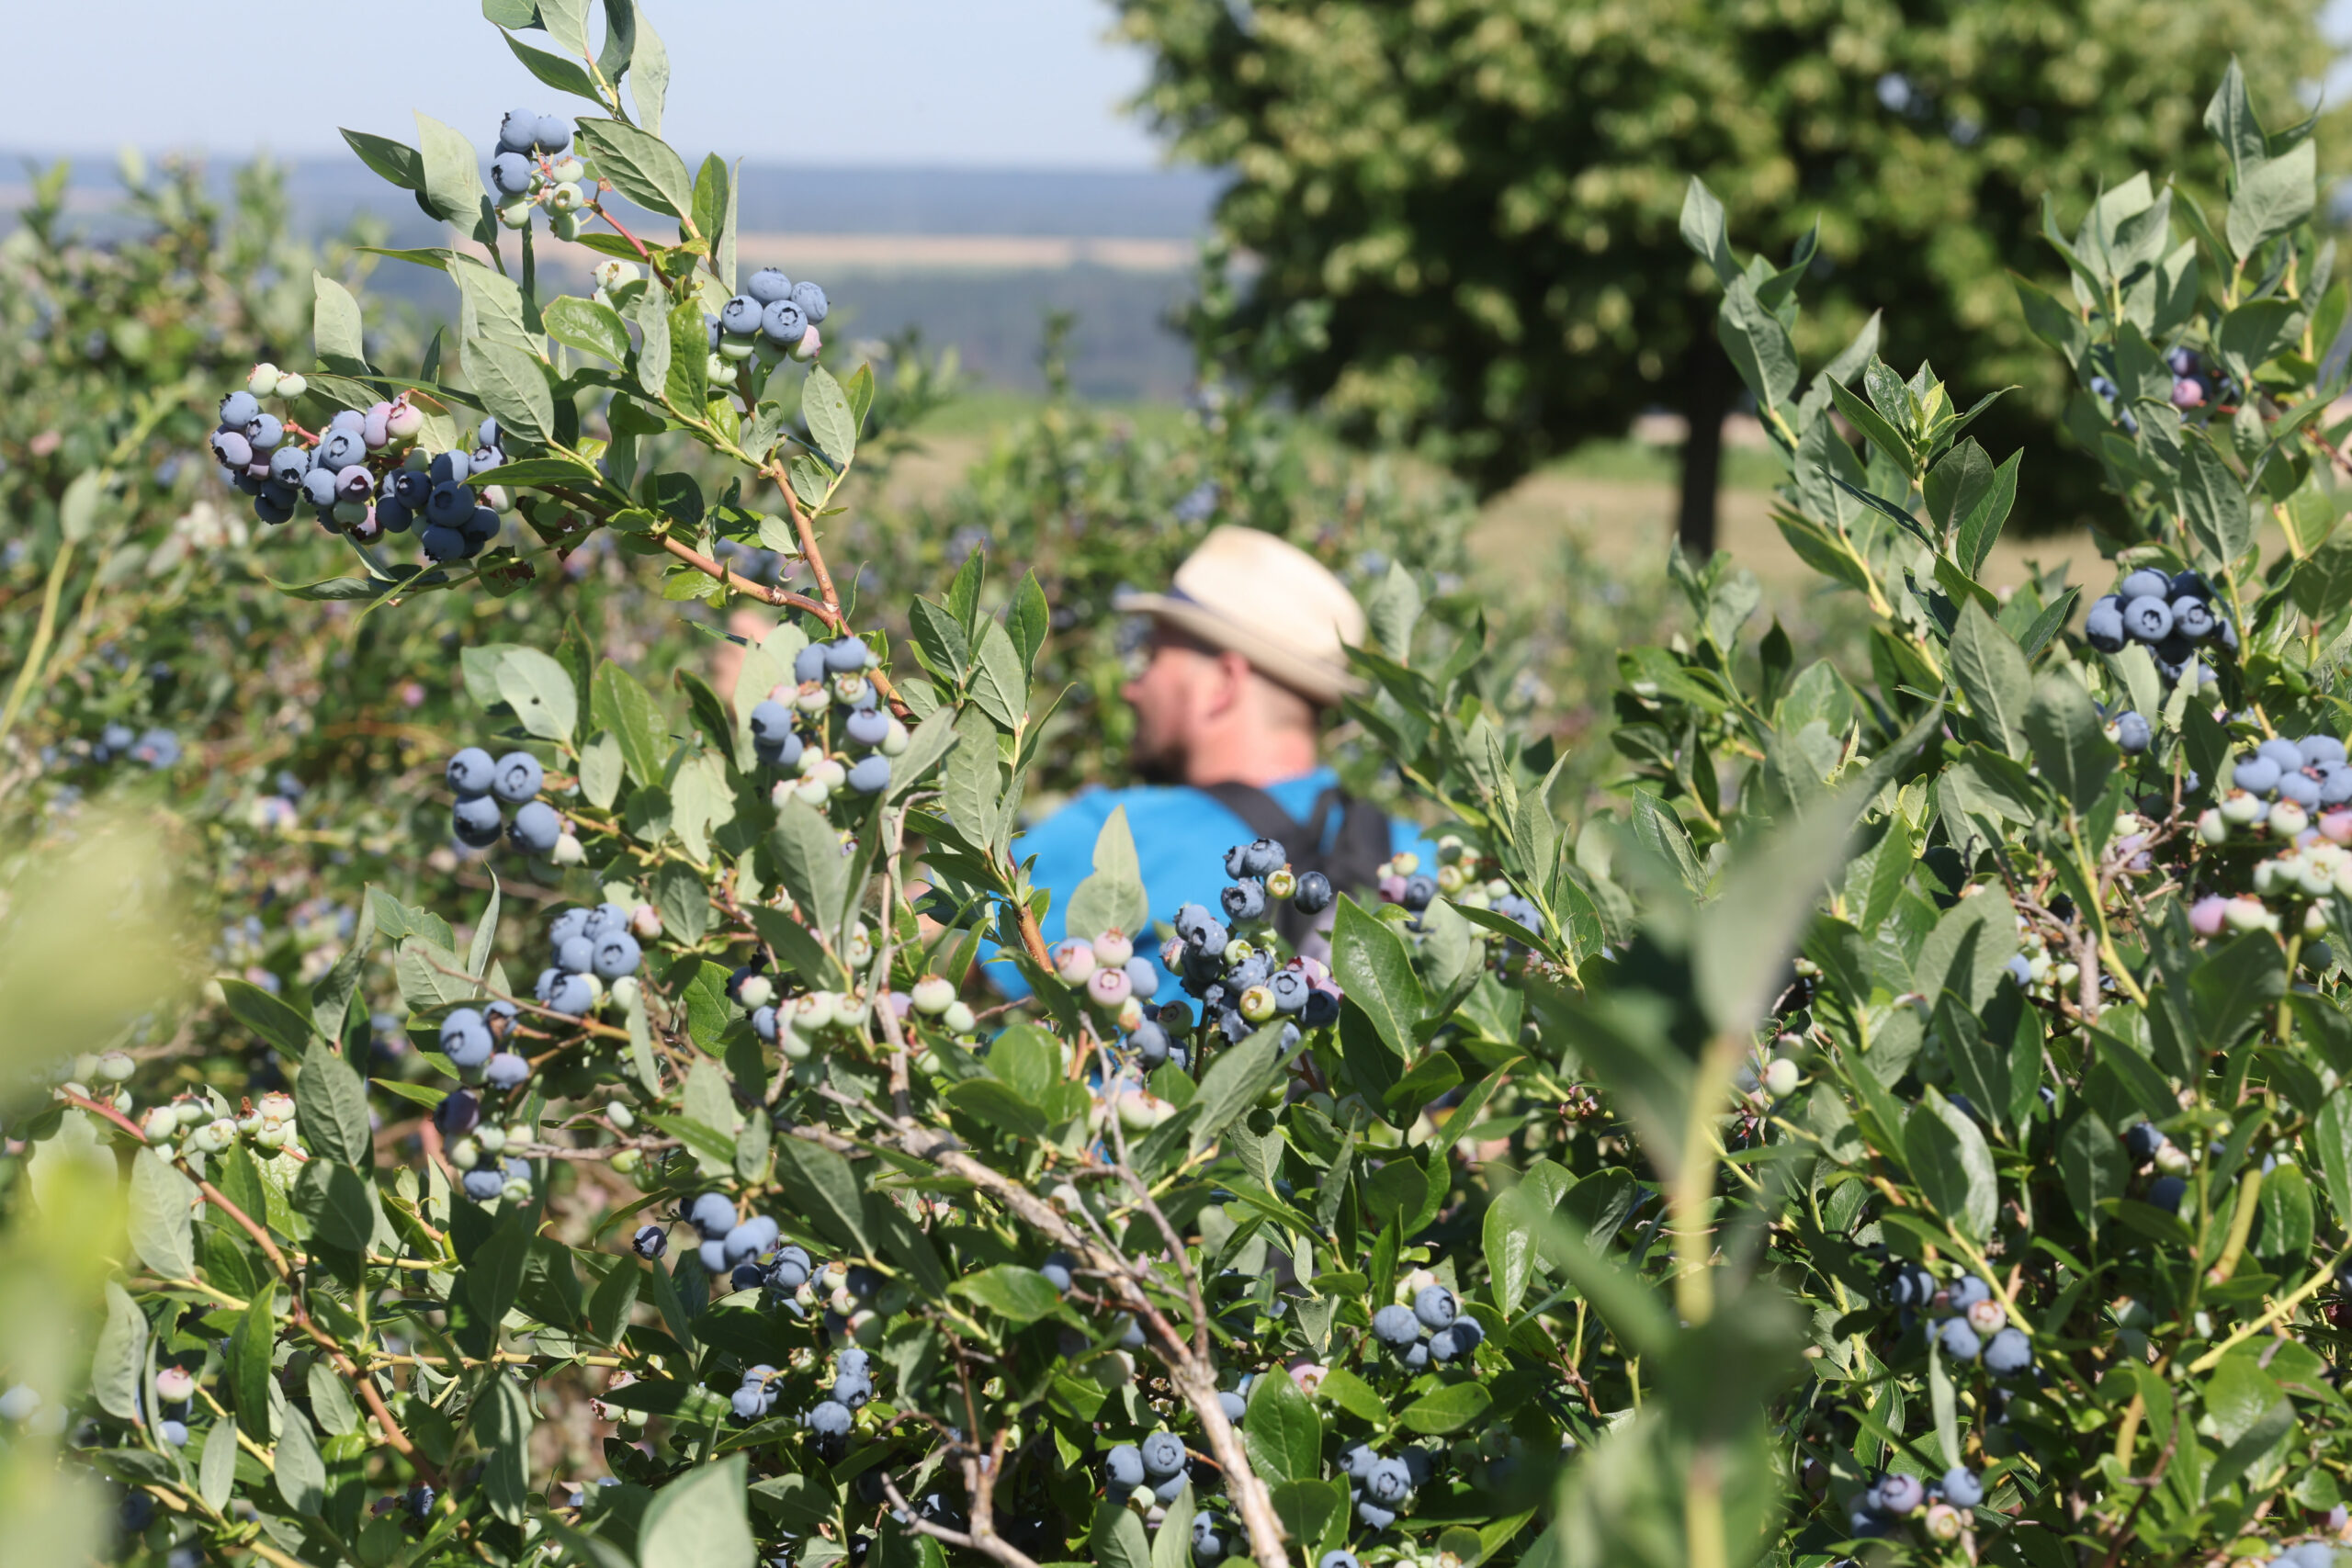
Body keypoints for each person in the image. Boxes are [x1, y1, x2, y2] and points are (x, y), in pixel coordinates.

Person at [991, 525, 1436, 1000]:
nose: (1130, 687)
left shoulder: (1120, 834)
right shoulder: (1420, 861)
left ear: (1223, 682)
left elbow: (923, 928)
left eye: (1153, 656)